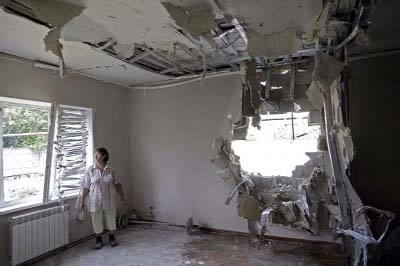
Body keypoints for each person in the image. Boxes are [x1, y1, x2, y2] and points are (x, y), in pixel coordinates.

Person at [80, 147, 126, 249]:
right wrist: (82, 201)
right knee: (96, 219)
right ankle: (98, 240)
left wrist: (122, 197)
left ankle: (112, 237)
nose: (96, 156)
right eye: (95, 154)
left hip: (109, 198)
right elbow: (86, 187)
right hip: (94, 199)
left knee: (110, 217)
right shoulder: (90, 170)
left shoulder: (111, 169)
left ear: (104, 156)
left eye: (98, 154)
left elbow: (117, 184)